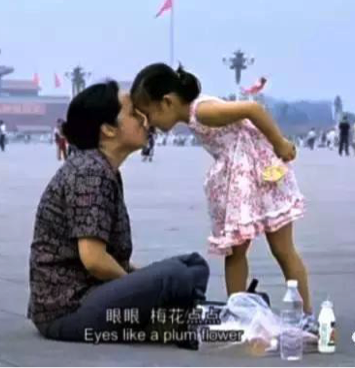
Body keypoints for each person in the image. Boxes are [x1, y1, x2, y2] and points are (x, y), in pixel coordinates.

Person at [130, 64, 316, 332]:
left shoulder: (203, 111)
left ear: (167, 102)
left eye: (148, 114)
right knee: (237, 249)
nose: (150, 124)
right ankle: (239, 312)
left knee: (281, 250)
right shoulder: (195, 113)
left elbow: (253, 109)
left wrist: (280, 143)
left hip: (261, 174)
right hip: (244, 176)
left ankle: (305, 314)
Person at [28, 80, 209, 347]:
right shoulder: (90, 173)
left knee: (192, 265)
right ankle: (169, 320)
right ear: (108, 130)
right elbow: (94, 260)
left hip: (90, 296)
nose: (144, 120)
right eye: (134, 114)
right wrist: (141, 288)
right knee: (174, 276)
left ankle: (169, 320)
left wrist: (141, 283)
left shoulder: (102, 169)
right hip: (69, 310)